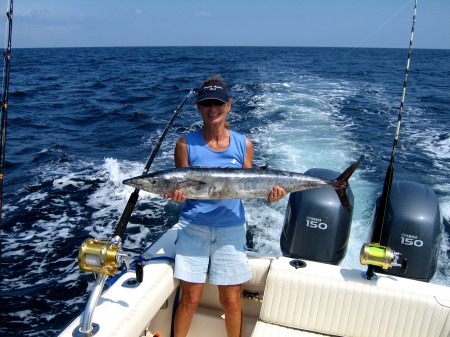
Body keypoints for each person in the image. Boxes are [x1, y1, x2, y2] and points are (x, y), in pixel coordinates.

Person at [166, 75, 286, 337]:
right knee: (190, 300)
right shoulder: (185, 143)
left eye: (218, 103)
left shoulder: (244, 144)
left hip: (230, 230)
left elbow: (250, 185)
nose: (212, 109)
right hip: (193, 229)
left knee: (231, 302)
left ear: (228, 105)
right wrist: (178, 195)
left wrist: (271, 195)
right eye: (206, 103)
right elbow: (181, 186)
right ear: (198, 107)